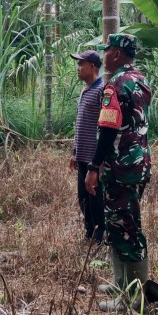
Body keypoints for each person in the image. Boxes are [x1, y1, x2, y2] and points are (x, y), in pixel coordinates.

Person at [85, 33, 152, 311]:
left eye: (108, 51)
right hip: (138, 162)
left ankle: (134, 298)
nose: (105, 56)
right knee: (119, 223)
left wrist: (93, 167)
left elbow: (107, 130)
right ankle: (121, 281)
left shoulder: (114, 86)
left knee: (127, 227)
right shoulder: (140, 80)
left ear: (115, 54)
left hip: (120, 165)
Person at [68, 50, 105, 243]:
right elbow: (80, 123)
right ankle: (89, 230)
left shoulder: (102, 90)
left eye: (81, 64)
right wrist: (75, 151)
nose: (78, 68)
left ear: (92, 66)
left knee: (96, 197)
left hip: (94, 158)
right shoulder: (85, 90)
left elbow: (104, 127)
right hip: (82, 155)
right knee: (83, 196)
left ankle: (100, 233)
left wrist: (98, 160)